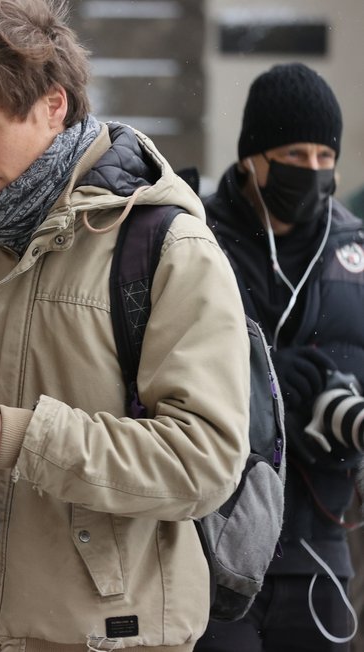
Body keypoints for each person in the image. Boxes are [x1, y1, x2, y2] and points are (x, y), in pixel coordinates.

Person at [0, 1, 250, 650]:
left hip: (119, 638)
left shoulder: (165, 245)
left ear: (53, 104)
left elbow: (205, 461)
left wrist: (19, 436)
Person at [196, 63, 364, 652]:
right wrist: (263, 390)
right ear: (251, 157)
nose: (314, 171)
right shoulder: (195, 241)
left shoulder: (356, 252)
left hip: (321, 547)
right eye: (296, 153)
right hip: (213, 547)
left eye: (326, 155)